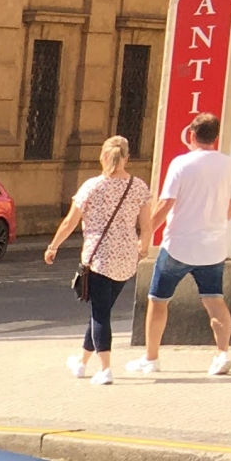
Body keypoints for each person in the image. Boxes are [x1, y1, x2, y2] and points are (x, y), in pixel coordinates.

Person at [134, 112, 231, 378]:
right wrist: (216, 223)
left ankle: (151, 358)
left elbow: (165, 203)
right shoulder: (229, 165)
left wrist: (145, 238)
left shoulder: (181, 164)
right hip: (213, 245)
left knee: (158, 301)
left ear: (192, 135)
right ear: (216, 137)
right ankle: (222, 353)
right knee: (214, 300)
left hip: (179, 243)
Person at [43, 136, 150, 386]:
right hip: (126, 258)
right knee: (101, 310)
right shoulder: (139, 186)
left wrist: (53, 246)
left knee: (100, 314)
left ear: (102, 156)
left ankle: (105, 369)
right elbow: (147, 224)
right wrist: (143, 246)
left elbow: (70, 222)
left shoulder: (92, 186)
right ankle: (81, 362)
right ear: (127, 158)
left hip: (99, 258)